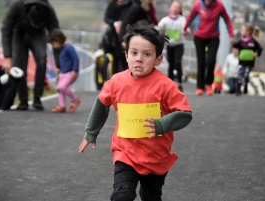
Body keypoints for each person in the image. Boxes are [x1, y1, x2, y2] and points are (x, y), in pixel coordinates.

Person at [79, 20, 192, 201]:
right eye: (134, 53)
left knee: (151, 197)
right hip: (125, 153)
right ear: (126, 55)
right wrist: (91, 131)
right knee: (121, 196)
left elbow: (185, 114)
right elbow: (101, 103)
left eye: (147, 54)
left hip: (155, 156)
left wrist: (161, 124)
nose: (139, 58)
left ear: (158, 59)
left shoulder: (166, 86)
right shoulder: (116, 82)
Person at [1, 0, 59, 110]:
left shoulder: (49, 11)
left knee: (42, 58)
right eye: (35, 24)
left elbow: (57, 37)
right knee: (18, 64)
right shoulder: (17, 6)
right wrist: (8, 57)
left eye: (38, 24)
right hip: (18, 32)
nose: (36, 26)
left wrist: (60, 66)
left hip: (38, 35)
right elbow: (6, 29)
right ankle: (23, 100)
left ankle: (37, 98)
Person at [183, 0, 234, 96]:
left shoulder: (219, 6)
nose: (207, 1)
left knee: (210, 61)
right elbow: (191, 17)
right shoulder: (198, 4)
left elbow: (227, 20)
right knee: (201, 62)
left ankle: (208, 84)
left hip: (213, 37)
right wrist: (184, 29)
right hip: (199, 36)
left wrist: (231, 35)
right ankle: (200, 87)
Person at [104, 0, 152, 74]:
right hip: (118, 38)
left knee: (126, 63)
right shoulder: (133, 7)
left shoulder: (133, 5)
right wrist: (115, 24)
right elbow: (110, 19)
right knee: (117, 62)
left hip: (128, 37)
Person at [158, 0, 189, 92]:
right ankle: (170, 83)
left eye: (178, 7)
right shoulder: (165, 20)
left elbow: (185, 28)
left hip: (179, 45)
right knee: (171, 64)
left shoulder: (182, 19)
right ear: (170, 8)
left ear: (180, 10)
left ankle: (179, 82)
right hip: (169, 45)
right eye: (174, 6)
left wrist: (185, 31)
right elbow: (159, 28)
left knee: (177, 62)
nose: (175, 9)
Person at [48, 29, 80, 113]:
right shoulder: (61, 49)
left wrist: (75, 70)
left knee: (61, 87)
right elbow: (63, 63)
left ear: (59, 40)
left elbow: (75, 58)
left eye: (54, 44)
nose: (54, 46)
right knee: (60, 90)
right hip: (63, 73)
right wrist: (59, 73)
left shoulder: (69, 47)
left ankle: (75, 99)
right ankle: (61, 106)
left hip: (70, 72)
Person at [233, 23, 263, 96]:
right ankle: (238, 90)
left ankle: (245, 87)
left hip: (249, 62)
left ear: (248, 32)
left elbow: (260, 48)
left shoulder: (253, 41)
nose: (241, 31)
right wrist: (233, 45)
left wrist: (257, 53)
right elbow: (236, 46)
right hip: (241, 61)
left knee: (246, 75)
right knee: (240, 74)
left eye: (242, 30)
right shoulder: (241, 41)